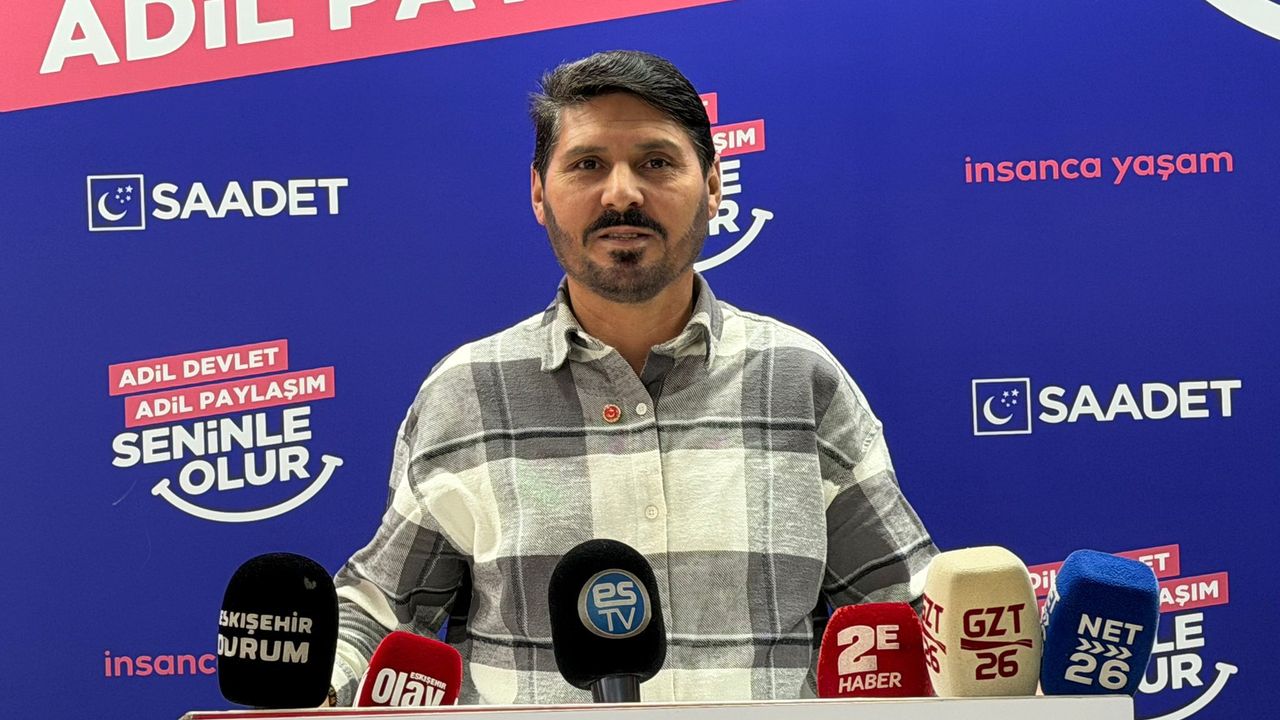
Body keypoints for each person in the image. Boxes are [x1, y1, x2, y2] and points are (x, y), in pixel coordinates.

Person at [329, 50, 936, 706]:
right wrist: (320, 684)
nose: (621, 194)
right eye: (588, 164)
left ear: (712, 188)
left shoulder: (798, 379)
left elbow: (907, 608)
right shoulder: (467, 392)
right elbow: (381, 612)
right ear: (539, 192)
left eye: (656, 163)